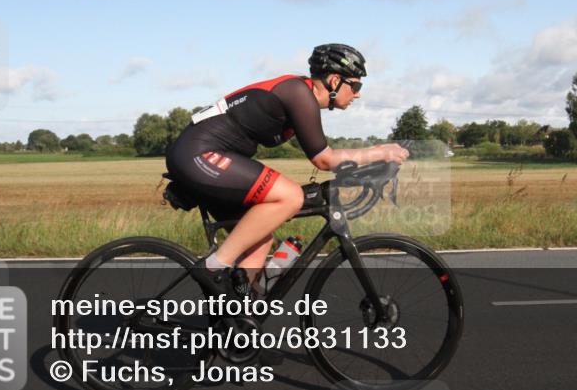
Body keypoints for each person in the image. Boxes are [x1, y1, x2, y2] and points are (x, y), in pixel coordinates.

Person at [165, 43, 409, 298]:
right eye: (355, 86)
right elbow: (324, 160)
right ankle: (212, 268)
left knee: (259, 242)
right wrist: (379, 152)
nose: (357, 94)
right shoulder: (298, 93)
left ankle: (234, 317)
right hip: (199, 153)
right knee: (291, 196)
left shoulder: (300, 95)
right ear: (335, 80)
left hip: (203, 154)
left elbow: (326, 154)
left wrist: (371, 161)